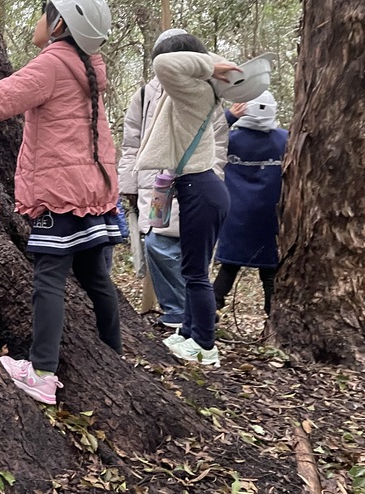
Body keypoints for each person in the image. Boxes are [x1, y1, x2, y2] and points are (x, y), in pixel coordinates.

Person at [0, 0, 122, 405]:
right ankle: (114, 355)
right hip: (94, 191)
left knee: (48, 280)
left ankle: (42, 373)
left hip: (60, 193)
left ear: (58, 24)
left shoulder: (53, 65)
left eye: (44, 13)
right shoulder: (87, 65)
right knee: (95, 277)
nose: (38, 20)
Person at [134, 33, 240, 367]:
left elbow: (164, 64)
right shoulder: (195, 93)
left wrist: (209, 63)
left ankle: (206, 346)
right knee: (192, 269)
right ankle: (189, 333)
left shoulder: (195, 90)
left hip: (201, 189)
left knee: (195, 274)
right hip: (199, 188)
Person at [118, 29, 228, 329]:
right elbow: (132, 142)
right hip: (158, 186)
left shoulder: (203, 92)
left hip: (194, 183)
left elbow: (217, 146)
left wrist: (205, 66)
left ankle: (192, 324)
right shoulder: (145, 94)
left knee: (189, 261)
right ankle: (178, 315)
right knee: (156, 246)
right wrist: (127, 184)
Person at [213, 91, 287, 317]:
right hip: (271, 216)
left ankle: (206, 313)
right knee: (270, 272)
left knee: (230, 266)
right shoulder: (286, 139)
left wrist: (228, 117)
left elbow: (206, 137)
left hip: (236, 216)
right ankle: (272, 320)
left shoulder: (230, 139)